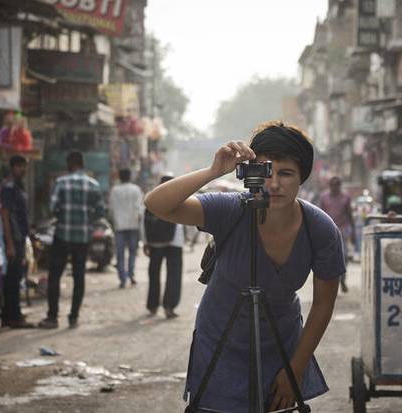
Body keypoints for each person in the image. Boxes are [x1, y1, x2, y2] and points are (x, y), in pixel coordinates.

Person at [144, 121, 345, 411]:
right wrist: (214, 171)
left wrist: (296, 369)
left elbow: (324, 305)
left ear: (302, 177)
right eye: (265, 171)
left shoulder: (320, 229)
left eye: (286, 173)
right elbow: (156, 203)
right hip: (220, 340)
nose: (274, 184)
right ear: (248, 172)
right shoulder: (231, 210)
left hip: (281, 342)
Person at [39, 151, 105, 329]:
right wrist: (87, 220)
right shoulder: (93, 185)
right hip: (82, 237)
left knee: (55, 276)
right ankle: (73, 317)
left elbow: (53, 208)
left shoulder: (61, 183)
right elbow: (100, 211)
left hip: (62, 235)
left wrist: (64, 216)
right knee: (78, 277)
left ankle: (52, 317)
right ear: (82, 164)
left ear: (69, 164)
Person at [143, 175, 188, 318]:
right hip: (175, 242)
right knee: (174, 274)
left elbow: (144, 222)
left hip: (156, 242)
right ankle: (169, 306)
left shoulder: (153, 198)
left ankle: (152, 306)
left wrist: (145, 242)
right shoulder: (180, 197)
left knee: (154, 273)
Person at [0, 155, 33, 328]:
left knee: (16, 277)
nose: (23, 169)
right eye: (19, 166)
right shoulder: (9, 187)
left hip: (19, 237)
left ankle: (12, 314)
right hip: (12, 238)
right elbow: (5, 215)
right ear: (12, 167)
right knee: (12, 278)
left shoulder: (19, 186)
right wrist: (10, 244)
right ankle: (12, 316)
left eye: (24, 166)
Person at [108, 168, 144, 288]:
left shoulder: (115, 190)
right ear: (130, 176)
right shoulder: (136, 189)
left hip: (119, 226)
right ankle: (131, 274)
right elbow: (140, 208)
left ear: (119, 177)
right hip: (133, 225)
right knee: (133, 251)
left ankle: (122, 278)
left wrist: (114, 222)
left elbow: (111, 209)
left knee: (120, 253)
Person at [318, 176, 354, 293]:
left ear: (339, 186)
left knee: (343, 256)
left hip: (343, 229)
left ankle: (342, 279)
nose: (334, 187)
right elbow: (319, 214)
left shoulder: (346, 197)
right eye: (332, 185)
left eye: (336, 185)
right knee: (327, 257)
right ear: (329, 186)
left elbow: (350, 214)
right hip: (328, 230)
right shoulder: (324, 197)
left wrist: (353, 232)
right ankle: (330, 282)